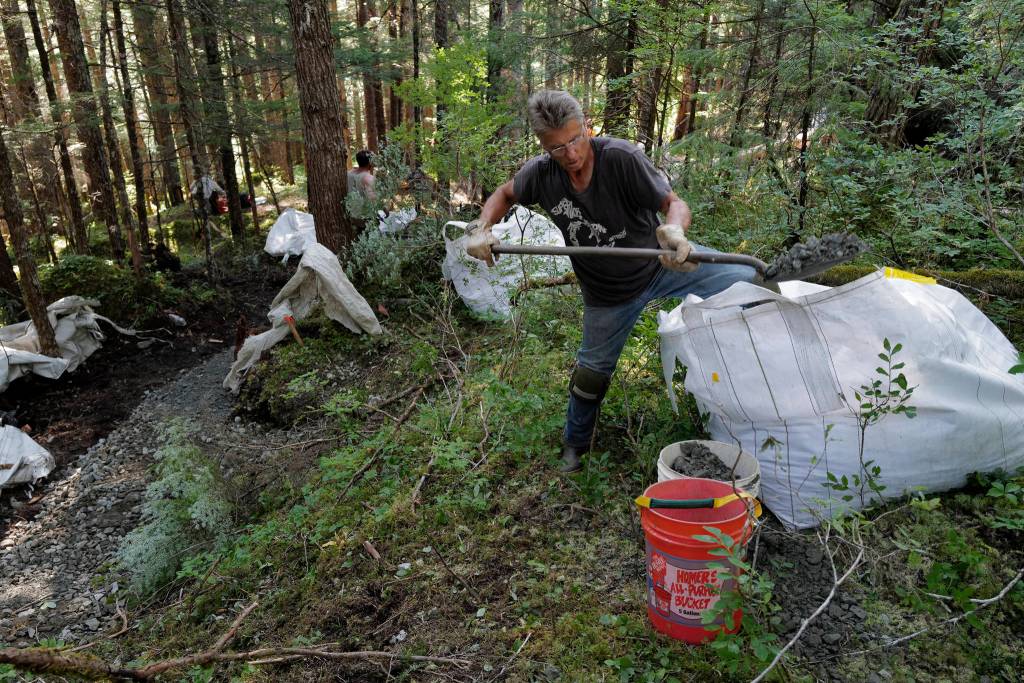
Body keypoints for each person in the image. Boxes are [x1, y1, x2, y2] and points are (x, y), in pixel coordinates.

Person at [465, 90, 757, 472]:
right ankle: (575, 444)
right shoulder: (542, 174)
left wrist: (674, 232)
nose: (569, 154)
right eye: (556, 148)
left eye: (574, 139)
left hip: (659, 263)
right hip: (608, 292)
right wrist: (482, 227)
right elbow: (505, 193)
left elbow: (673, 202)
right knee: (590, 375)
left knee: (747, 278)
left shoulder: (621, 158)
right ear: (542, 146)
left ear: (587, 127)